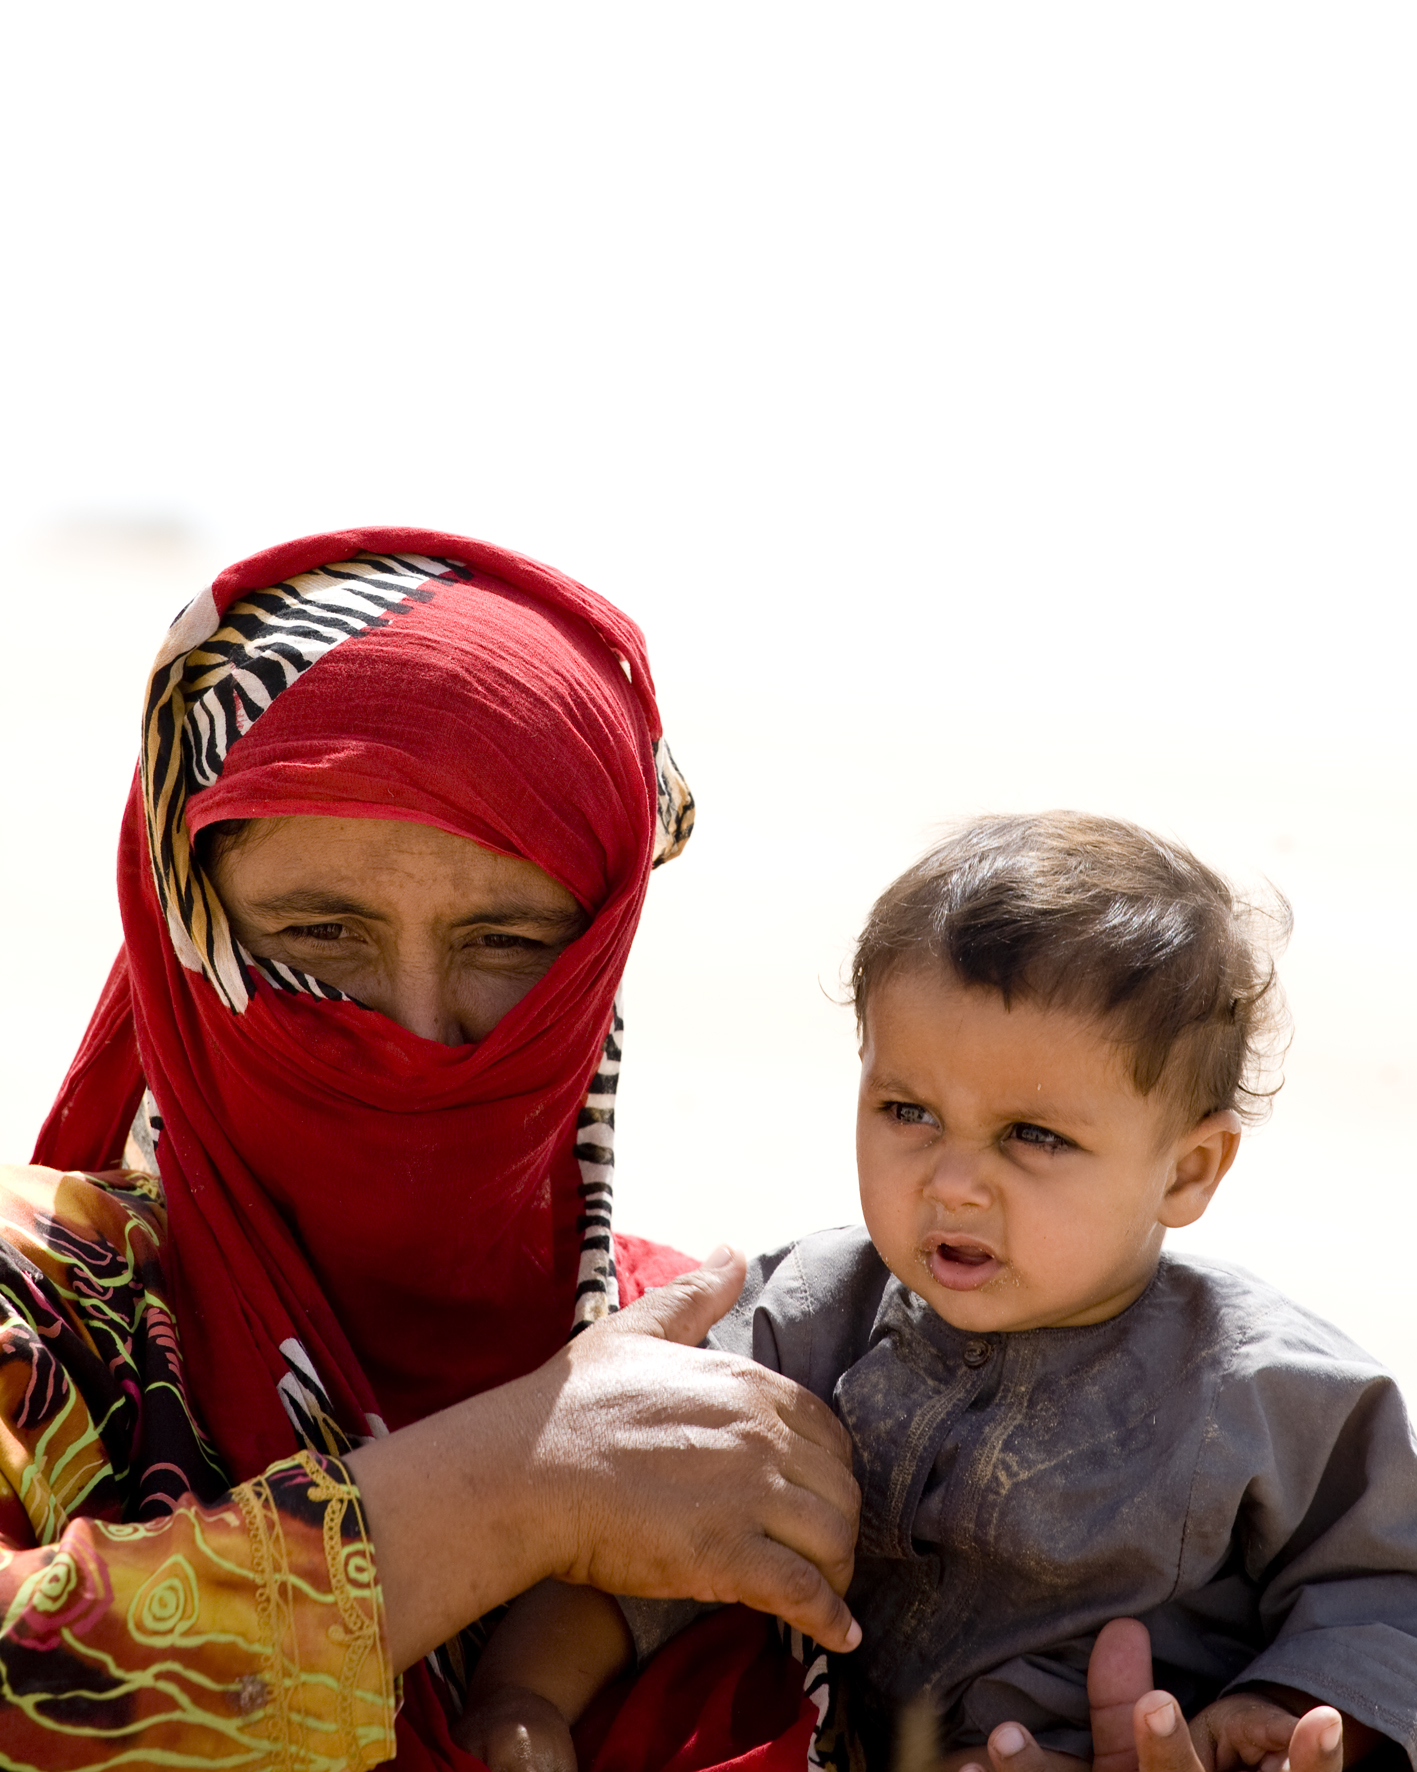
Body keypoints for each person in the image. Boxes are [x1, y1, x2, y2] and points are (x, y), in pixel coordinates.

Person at [0, 528, 863, 1768]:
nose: (416, 1030)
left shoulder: (742, 1356)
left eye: (507, 942)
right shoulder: (37, 1321)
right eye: (320, 933)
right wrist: (520, 1485)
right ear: (187, 928)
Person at [462, 813, 1417, 1772]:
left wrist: (1280, 1705)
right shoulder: (805, 1316)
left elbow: (1385, 1580)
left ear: (1186, 1171)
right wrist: (524, 1699)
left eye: (1032, 1136)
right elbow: (638, 1511)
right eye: (907, 1112)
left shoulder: (1264, 1393)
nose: (952, 1181)